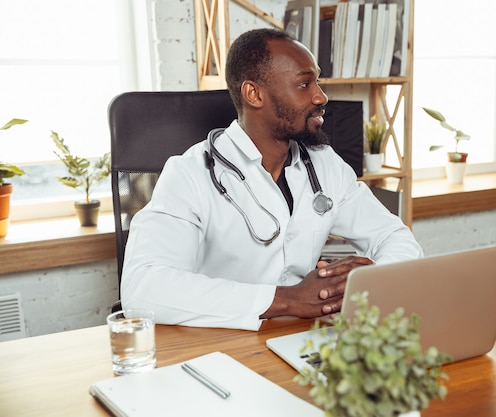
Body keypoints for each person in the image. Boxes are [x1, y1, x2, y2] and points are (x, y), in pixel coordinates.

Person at [121, 28, 423, 330]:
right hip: (220, 344)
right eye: (304, 84)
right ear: (254, 94)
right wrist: (287, 299)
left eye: (317, 81)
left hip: (300, 337)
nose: (321, 96)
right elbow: (143, 288)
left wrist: (367, 278)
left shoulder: (324, 164)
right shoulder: (190, 174)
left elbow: (396, 238)